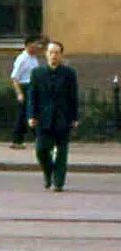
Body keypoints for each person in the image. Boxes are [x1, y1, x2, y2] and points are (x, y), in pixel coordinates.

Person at [28, 39, 78, 192]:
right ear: (46, 55)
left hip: (63, 118)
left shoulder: (69, 74)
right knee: (41, 149)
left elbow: (73, 96)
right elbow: (32, 95)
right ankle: (49, 173)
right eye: (51, 53)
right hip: (44, 119)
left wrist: (75, 117)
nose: (53, 56)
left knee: (62, 152)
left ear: (61, 55)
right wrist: (31, 115)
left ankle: (59, 182)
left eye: (56, 53)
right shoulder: (37, 73)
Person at [8, 35, 44, 149]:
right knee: (24, 115)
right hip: (25, 87)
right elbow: (14, 77)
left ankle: (35, 138)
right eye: (35, 45)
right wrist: (19, 93)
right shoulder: (22, 59)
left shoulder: (33, 58)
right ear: (29, 45)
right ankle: (18, 139)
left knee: (32, 113)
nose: (38, 47)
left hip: (33, 87)